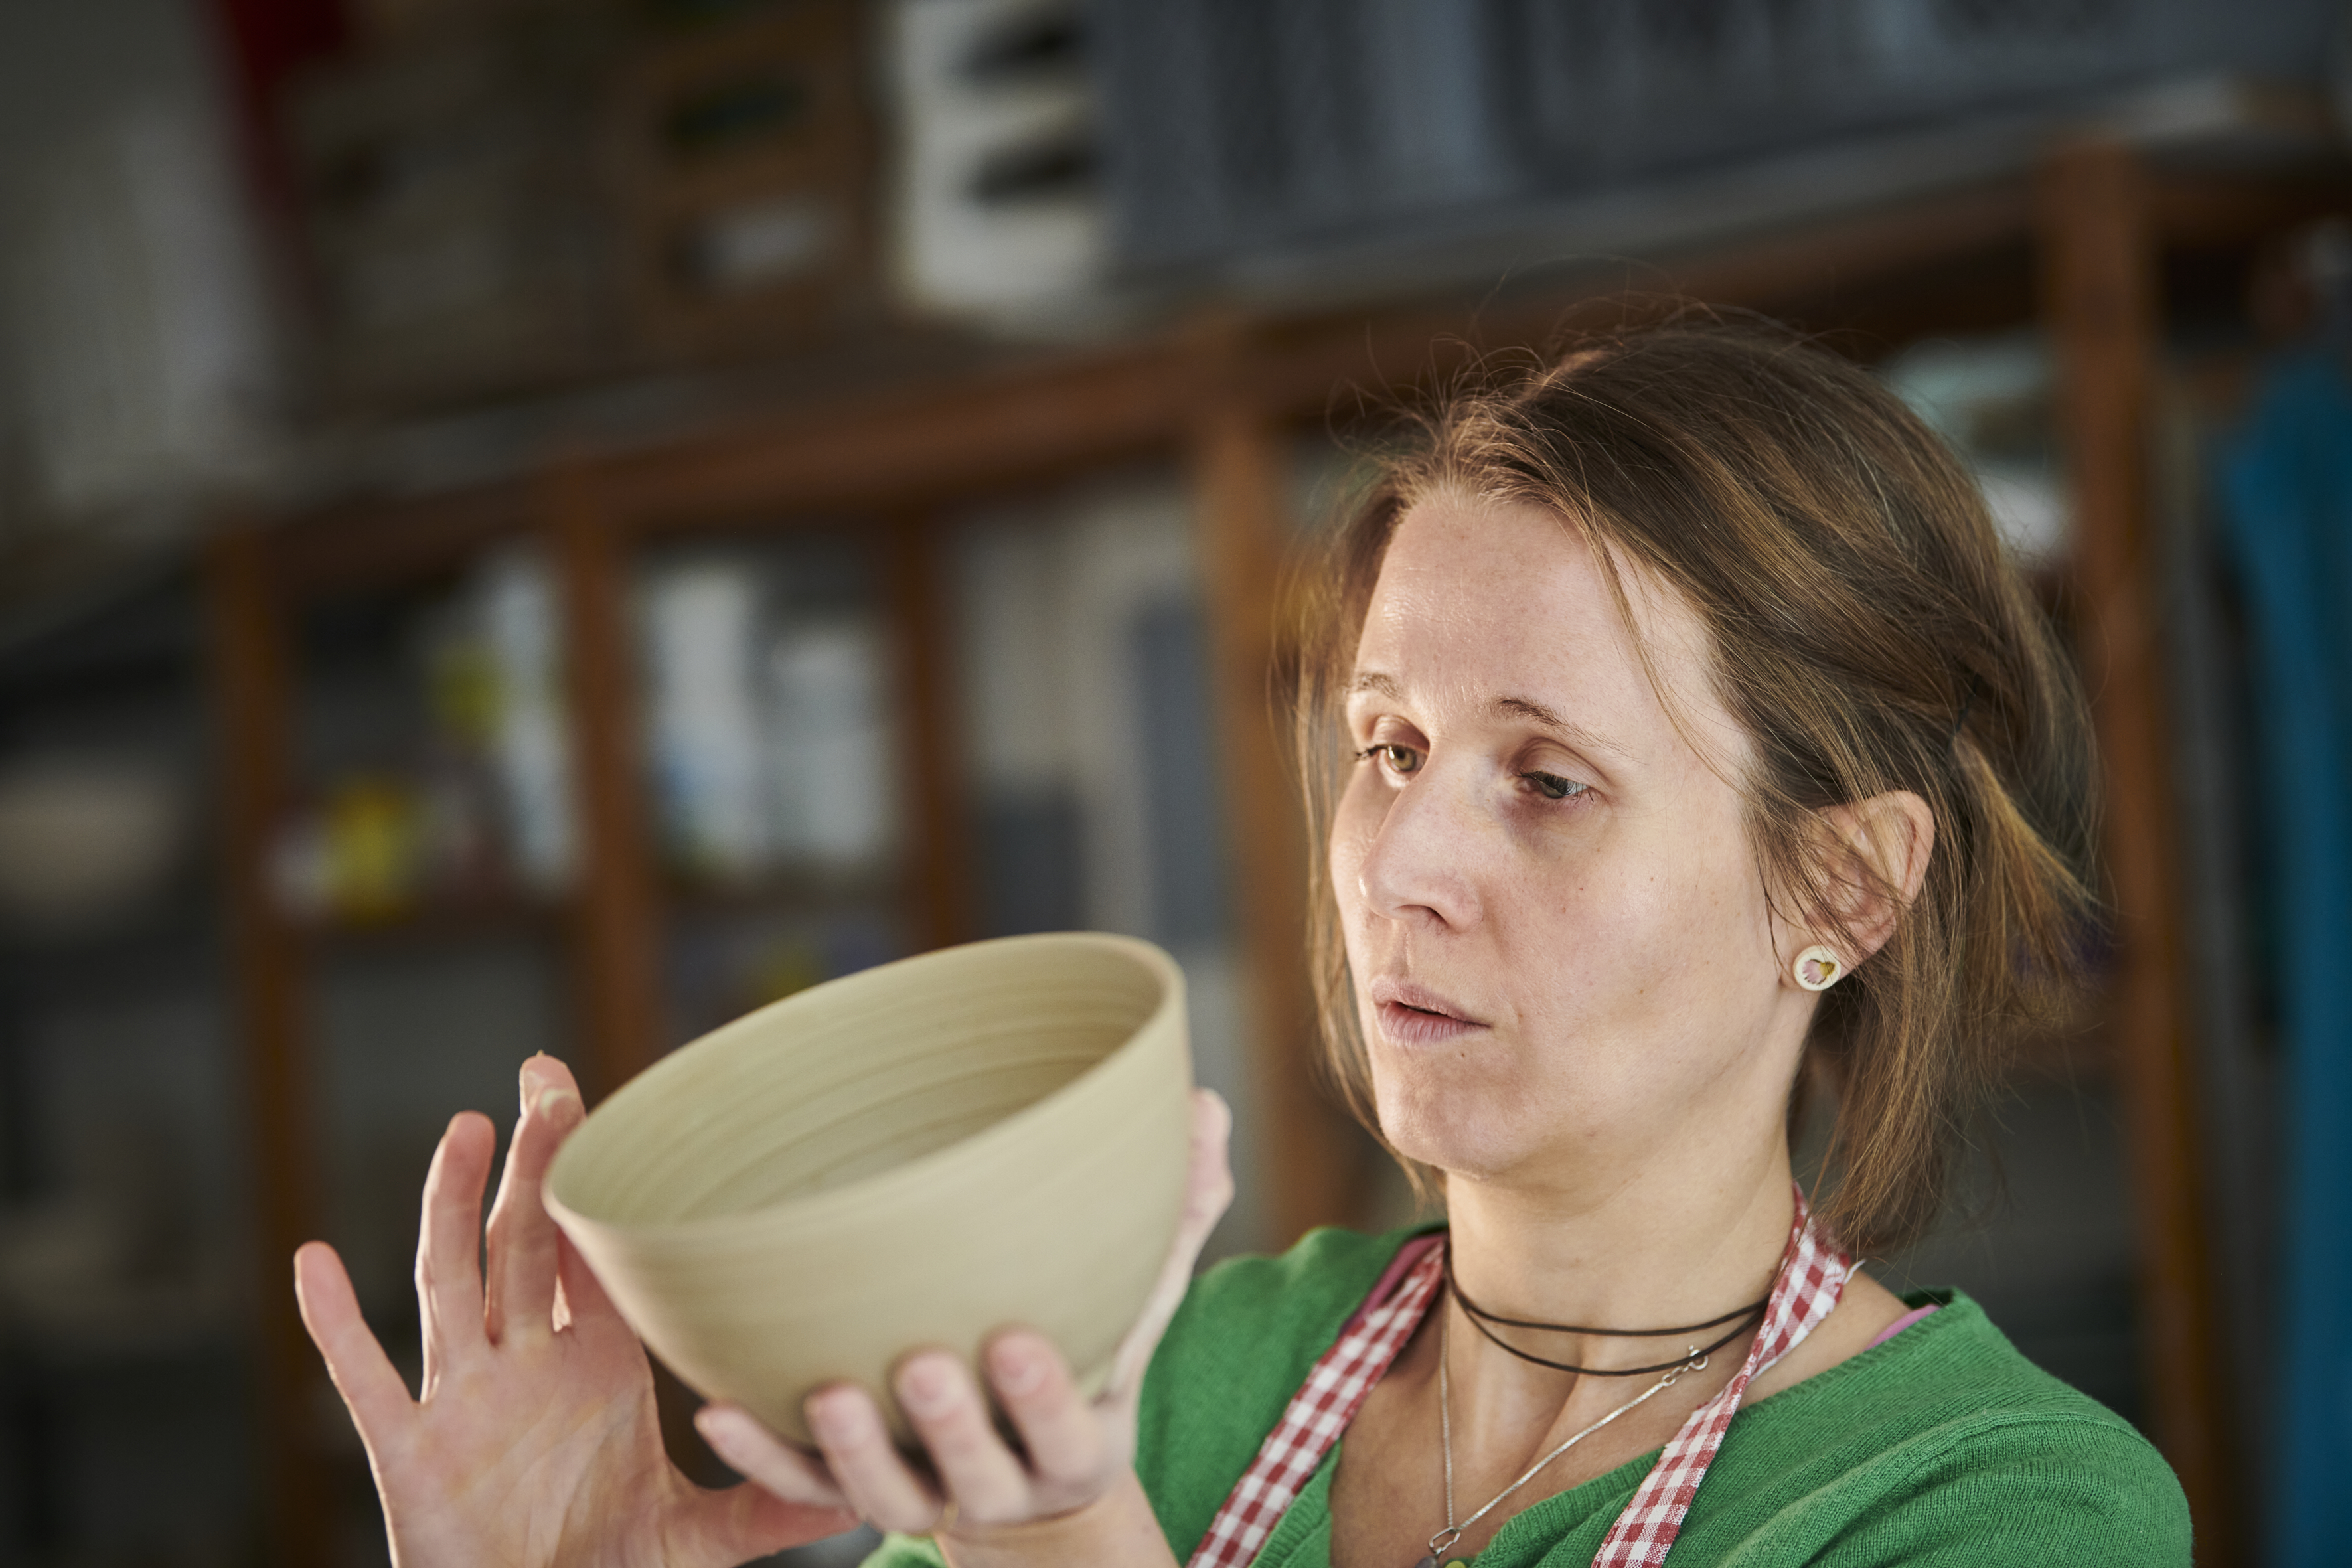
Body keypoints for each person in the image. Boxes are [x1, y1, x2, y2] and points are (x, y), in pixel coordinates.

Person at [295, 317, 2191, 1567]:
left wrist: (1062, 1540)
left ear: (1841, 889)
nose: (1400, 863)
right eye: (1388, 746)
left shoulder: (1997, 1508)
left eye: (1547, 778)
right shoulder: (1176, 1372)